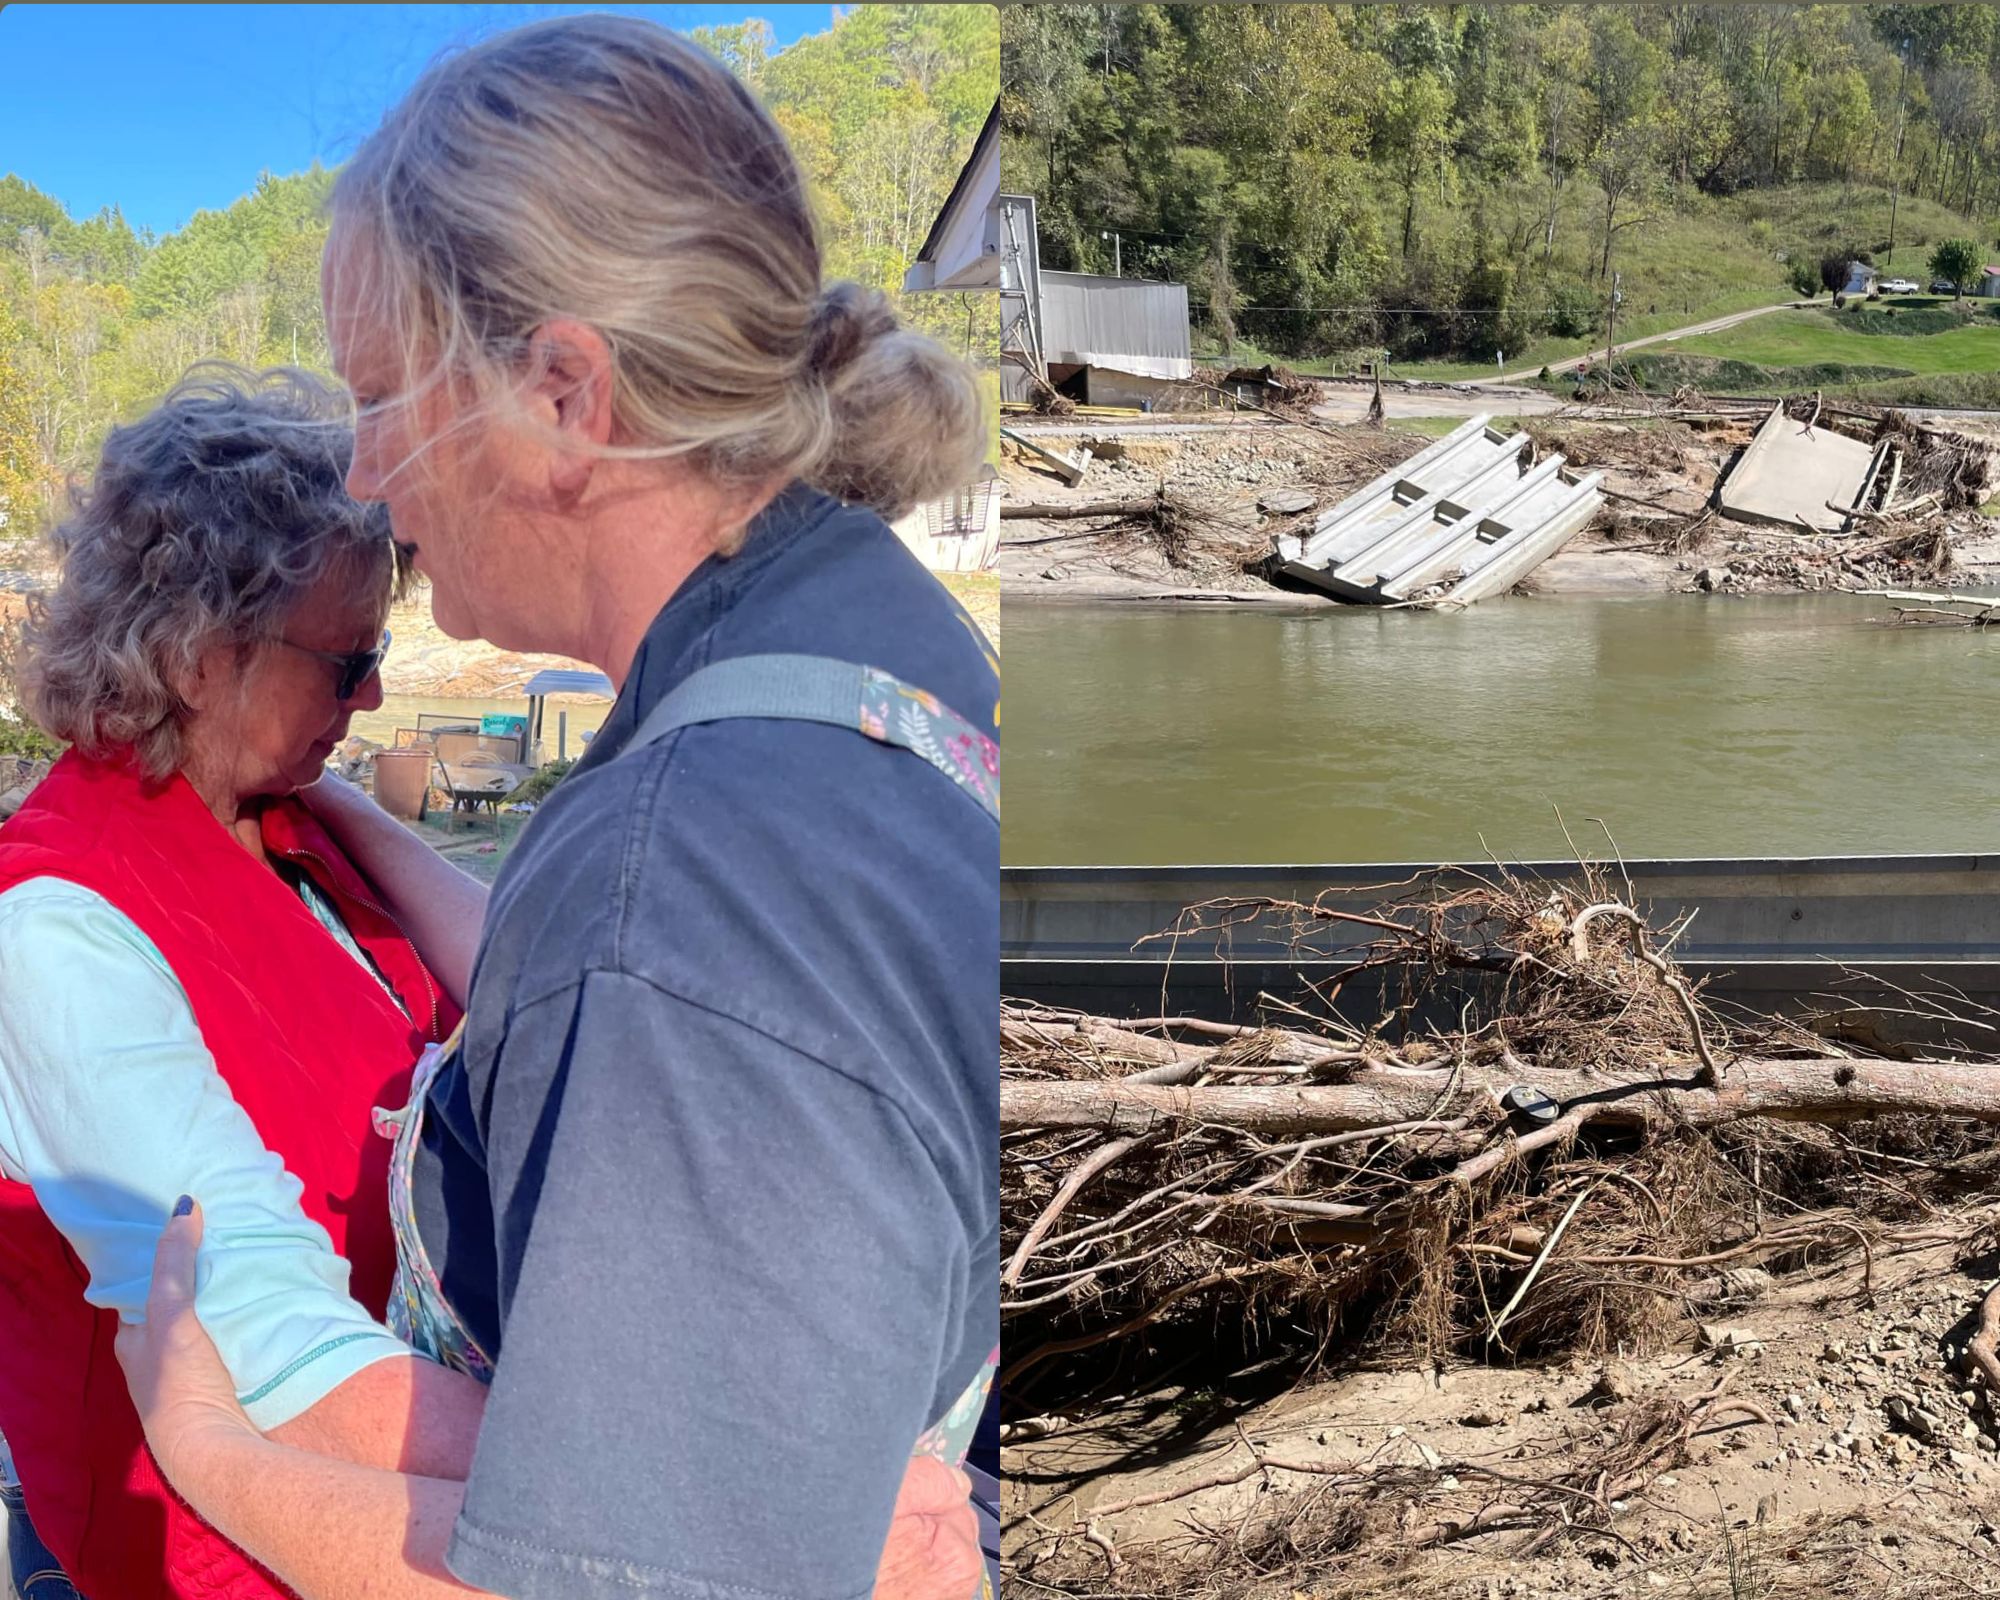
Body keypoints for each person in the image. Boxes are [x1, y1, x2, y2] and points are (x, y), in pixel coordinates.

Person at [115, 14, 999, 1600]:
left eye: (384, 395)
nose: (369, 476)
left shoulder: (687, 880)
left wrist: (209, 1449)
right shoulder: (853, 637)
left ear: (566, 397)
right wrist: (358, 827)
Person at [0, 365, 486, 1600]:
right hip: (259, 1547)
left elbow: (522, 987)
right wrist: (679, 1503)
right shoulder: (58, 933)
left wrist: (320, 784)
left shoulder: (279, 825)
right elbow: (264, 1350)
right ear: (199, 654)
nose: (372, 694)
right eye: (346, 661)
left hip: (412, 1497)